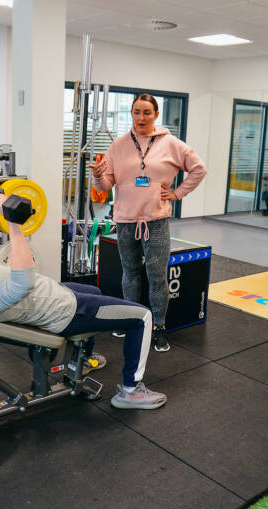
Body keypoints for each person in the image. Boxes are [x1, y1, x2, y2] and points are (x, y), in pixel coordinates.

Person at [0, 191, 167, 410]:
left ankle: (81, 360)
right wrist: (13, 223)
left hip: (53, 293)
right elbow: (22, 281)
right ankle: (131, 391)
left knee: (94, 293)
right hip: (64, 312)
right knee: (142, 316)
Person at [90, 94, 206, 352]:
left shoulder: (171, 144)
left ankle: (159, 327)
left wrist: (178, 193)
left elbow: (198, 169)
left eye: (146, 112)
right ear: (131, 114)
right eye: (136, 112)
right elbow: (106, 184)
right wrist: (98, 177)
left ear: (156, 114)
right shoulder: (119, 146)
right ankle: (132, 321)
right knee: (130, 273)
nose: (140, 118)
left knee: (156, 277)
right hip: (126, 220)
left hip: (156, 220)